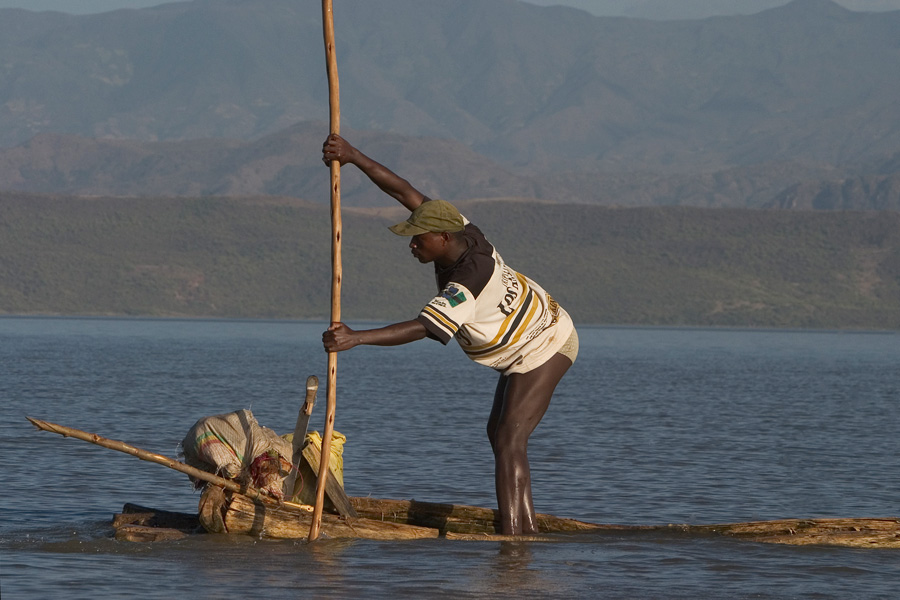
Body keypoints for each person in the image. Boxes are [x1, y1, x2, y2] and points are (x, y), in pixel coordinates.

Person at [320, 134, 578, 535]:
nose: (412, 245)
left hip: (545, 342)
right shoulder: (462, 228)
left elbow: (424, 327)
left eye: (417, 239)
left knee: (510, 438)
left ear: (442, 239)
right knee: (499, 435)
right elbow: (404, 190)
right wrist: (353, 157)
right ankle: (525, 526)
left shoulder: (465, 282)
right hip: (523, 345)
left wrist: (356, 338)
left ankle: (513, 541)